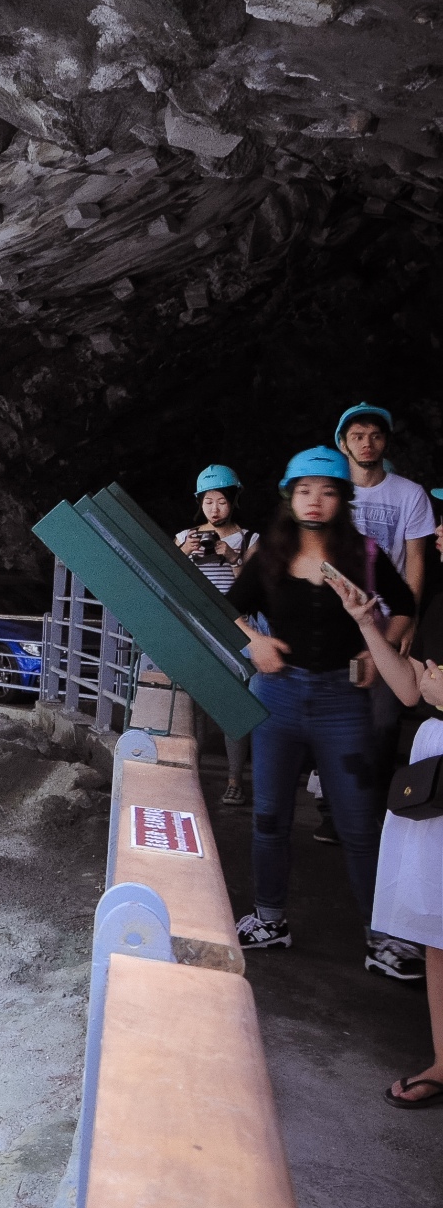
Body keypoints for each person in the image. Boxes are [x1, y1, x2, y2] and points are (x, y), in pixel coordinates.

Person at [226, 447, 418, 980]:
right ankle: (270, 920)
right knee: (269, 819)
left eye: (329, 491)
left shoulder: (367, 554)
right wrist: (255, 643)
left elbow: (404, 606)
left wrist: (377, 649)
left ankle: (382, 938)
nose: (316, 500)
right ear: (290, 496)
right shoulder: (269, 555)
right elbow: (225, 607)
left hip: (342, 703)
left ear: (343, 500)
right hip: (278, 697)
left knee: (359, 823)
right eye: (305, 490)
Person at [317, 567, 443, 1094]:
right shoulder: (439, 598)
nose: (437, 530)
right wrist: (368, 624)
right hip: (436, 771)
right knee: (439, 931)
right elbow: (414, 688)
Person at [339, 402, 434, 775]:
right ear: (343, 444)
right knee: (338, 710)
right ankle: (331, 808)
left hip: (388, 617)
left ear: (386, 442)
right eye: (358, 436)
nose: (367, 444)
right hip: (338, 616)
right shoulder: (332, 491)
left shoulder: (410, 494)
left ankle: (373, 801)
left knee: (383, 714)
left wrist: (408, 620)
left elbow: (416, 560)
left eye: (376, 436)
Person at [177, 466, 259, 806]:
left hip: (236, 628)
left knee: (232, 706)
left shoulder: (251, 539)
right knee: (193, 708)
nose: (214, 509)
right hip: (197, 628)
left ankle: (234, 781)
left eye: (222, 501)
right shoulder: (186, 537)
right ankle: (190, 779)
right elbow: (171, 580)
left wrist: (231, 556)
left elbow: (253, 585)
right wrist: (183, 553)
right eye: (208, 501)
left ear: (234, 501)